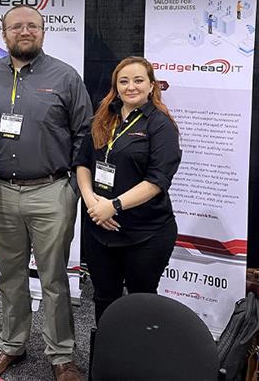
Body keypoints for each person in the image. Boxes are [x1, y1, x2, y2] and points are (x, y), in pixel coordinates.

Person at [0, 5, 92, 381]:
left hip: (51, 192)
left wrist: (71, 188)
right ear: (4, 33)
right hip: (1, 193)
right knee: (10, 276)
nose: (24, 31)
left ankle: (62, 355)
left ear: (43, 32)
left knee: (54, 279)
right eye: (16, 26)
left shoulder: (65, 76)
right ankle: (11, 345)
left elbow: (85, 133)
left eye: (32, 26)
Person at [74, 56, 181, 326]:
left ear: (151, 85)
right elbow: (83, 163)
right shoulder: (103, 118)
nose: (130, 86)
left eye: (138, 80)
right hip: (99, 229)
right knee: (104, 299)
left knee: (140, 303)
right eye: (124, 81)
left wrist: (113, 206)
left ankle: (140, 352)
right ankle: (106, 353)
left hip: (144, 234)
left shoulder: (160, 125)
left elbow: (157, 180)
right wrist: (91, 202)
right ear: (116, 87)